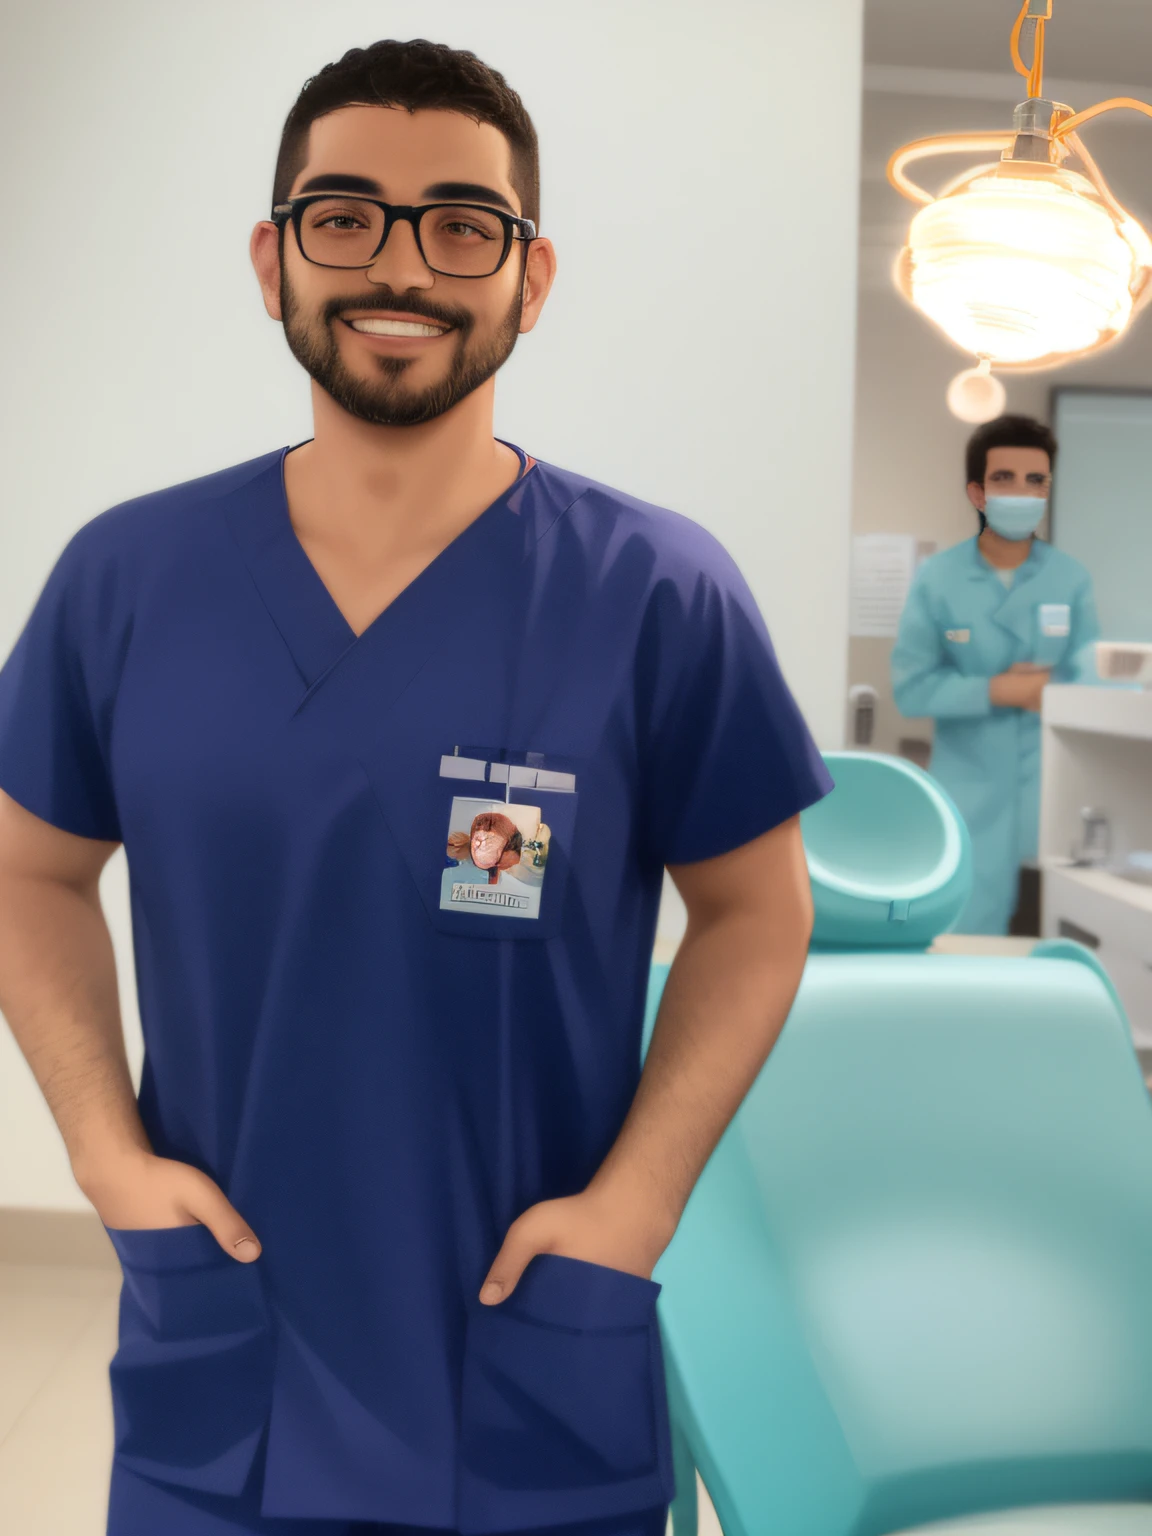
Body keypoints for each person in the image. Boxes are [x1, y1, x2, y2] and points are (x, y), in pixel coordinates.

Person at [0, 37, 833, 1536]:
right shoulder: (127, 579)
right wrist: (102, 1151)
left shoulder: (655, 593)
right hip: (228, 1357)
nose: (402, 265)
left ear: (531, 273)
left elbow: (756, 916)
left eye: (463, 222)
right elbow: (27, 868)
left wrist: (637, 1206)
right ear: (274, 261)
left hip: (524, 1349)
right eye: (345, 216)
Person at [891, 414, 1099, 936]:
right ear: (978, 492)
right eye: (1005, 478)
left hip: (1052, 794)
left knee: (1053, 939)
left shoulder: (1070, 579)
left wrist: (1052, 691)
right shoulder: (938, 580)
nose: (1023, 492)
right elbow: (912, 688)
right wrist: (999, 689)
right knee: (964, 940)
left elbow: (1092, 680)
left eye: (1037, 481)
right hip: (968, 794)